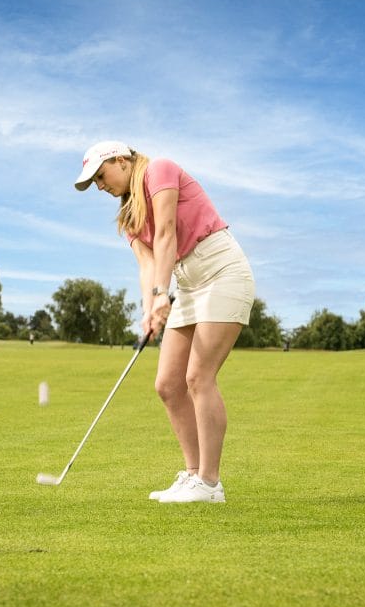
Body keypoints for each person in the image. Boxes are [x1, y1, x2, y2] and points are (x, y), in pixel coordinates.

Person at [74, 140, 255, 503]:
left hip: (221, 271)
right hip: (188, 284)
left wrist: (161, 293)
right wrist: (149, 308)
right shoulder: (128, 216)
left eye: (100, 175)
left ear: (121, 161)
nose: (99, 185)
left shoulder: (160, 170)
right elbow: (147, 264)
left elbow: (167, 233)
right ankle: (192, 475)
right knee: (168, 385)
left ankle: (209, 483)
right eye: (92, 182)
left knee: (198, 377)